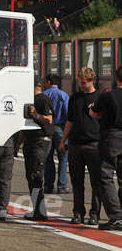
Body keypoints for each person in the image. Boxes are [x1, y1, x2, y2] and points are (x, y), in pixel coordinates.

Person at [59, 68, 101, 225]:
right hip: (75, 144)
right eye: (79, 82)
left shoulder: (100, 98)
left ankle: (95, 213)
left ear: (91, 81)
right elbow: (70, 120)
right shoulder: (74, 98)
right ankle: (78, 213)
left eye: (83, 82)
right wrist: (63, 140)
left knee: (96, 182)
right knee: (77, 182)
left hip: (94, 144)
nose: (81, 85)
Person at [90, 66, 122, 230]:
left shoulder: (107, 95)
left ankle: (116, 217)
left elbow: (94, 113)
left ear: (116, 78)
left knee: (106, 176)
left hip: (112, 136)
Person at [17, 79, 54, 220]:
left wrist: (36, 115)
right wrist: (18, 145)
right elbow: (24, 126)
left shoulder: (43, 100)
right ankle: (37, 209)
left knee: (36, 175)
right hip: (30, 141)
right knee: (31, 175)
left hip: (40, 141)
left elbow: (49, 119)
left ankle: (40, 210)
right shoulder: (28, 100)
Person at [43, 73, 70, 194]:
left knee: (48, 158)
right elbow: (67, 114)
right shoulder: (63, 95)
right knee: (63, 157)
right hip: (60, 128)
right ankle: (62, 185)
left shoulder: (43, 95)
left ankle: (48, 185)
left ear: (48, 82)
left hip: (46, 128)